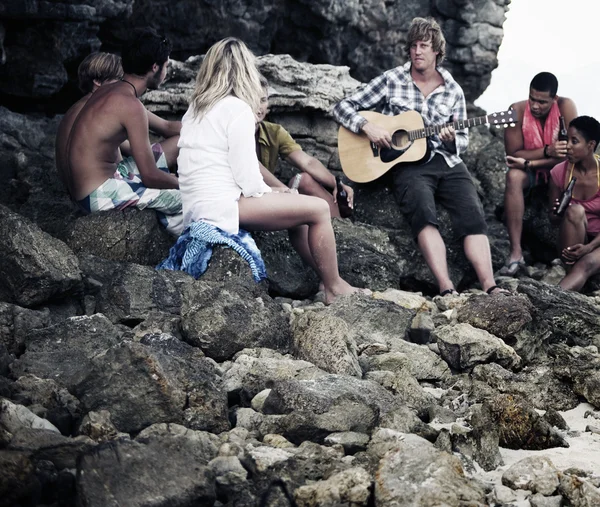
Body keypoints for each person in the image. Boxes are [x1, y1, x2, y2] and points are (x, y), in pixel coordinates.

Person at [177, 37, 363, 303]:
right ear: (246, 70)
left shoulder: (195, 110)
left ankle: (328, 280)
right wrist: (278, 192)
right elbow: (248, 178)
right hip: (224, 207)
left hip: (196, 207)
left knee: (298, 211)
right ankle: (335, 288)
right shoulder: (238, 109)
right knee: (318, 209)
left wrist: (279, 192)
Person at [332, 16, 504, 296]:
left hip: (446, 161)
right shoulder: (392, 80)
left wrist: (450, 141)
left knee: (473, 215)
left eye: (423, 45)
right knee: (423, 213)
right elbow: (342, 106)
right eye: (413, 45)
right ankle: (446, 288)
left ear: (437, 50)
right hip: (408, 164)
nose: (417, 51)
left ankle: (490, 285)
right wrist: (368, 126)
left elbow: (461, 140)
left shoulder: (454, 91)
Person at [63, 29, 183, 235]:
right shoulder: (130, 105)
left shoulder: (109, 91)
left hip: (103, 182)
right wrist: (185, 183)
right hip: (97, 194)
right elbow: (151, 177)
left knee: (183, 142)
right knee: (197, 198)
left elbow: (166, 129)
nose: (166, 72)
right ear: (155, 67)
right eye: (166, 66)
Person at [502, 72, 578, 275]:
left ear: (554, 99)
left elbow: (571, 153)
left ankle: (571, 256)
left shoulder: (566, 107)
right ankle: (516, 252)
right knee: (513, 176)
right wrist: (547, 151)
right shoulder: (515, 110)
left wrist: (532, 161)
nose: (535, 106)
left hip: (560, 169)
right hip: (532, 171)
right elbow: (513, 154)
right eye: (532, 99)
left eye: (542, 102)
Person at [255, 76, 354, 218]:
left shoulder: (273, 131)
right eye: (252, 99)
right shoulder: (234, 131)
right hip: (246, 195)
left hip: (274, 193)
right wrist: (285, 192)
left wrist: (336, 184)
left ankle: (340, 226)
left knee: (305, 179)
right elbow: (253, 165)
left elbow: (307, 161)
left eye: (263, 100)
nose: (259, 107)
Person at [55, 52, 124, 189]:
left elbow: (122, 144)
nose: (124, 86)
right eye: (120, 80)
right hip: (97, 190)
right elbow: (119, 163)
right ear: (97, 82)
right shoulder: (99, 111)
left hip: (77, 188)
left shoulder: (80, 106)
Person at [549, 116, 600, 292]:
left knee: (586, 263)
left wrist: (589, 248)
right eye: (567, 140)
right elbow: (553, 221)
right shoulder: (559, 172)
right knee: (575, 211)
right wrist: (558, 213)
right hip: (573, 242)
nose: (567, 146)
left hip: (596, 244)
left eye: (574, 141)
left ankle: (553, 299)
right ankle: (573, 280)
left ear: (591, 145)